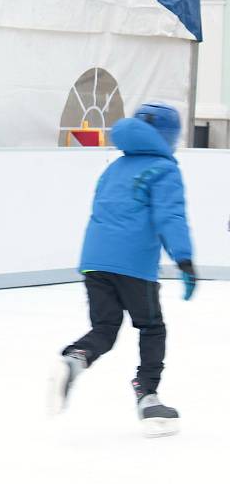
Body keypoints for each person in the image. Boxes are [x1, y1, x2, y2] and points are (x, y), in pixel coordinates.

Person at [48, 103, 197, 438]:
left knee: (104, 328)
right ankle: (148, 396)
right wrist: (185, 260)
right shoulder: (164, 169)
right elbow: (170, 217)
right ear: (168, 136)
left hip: (94, 261)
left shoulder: (115, 167)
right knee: (151, 327)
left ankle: (74, 358)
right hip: (134, 265)